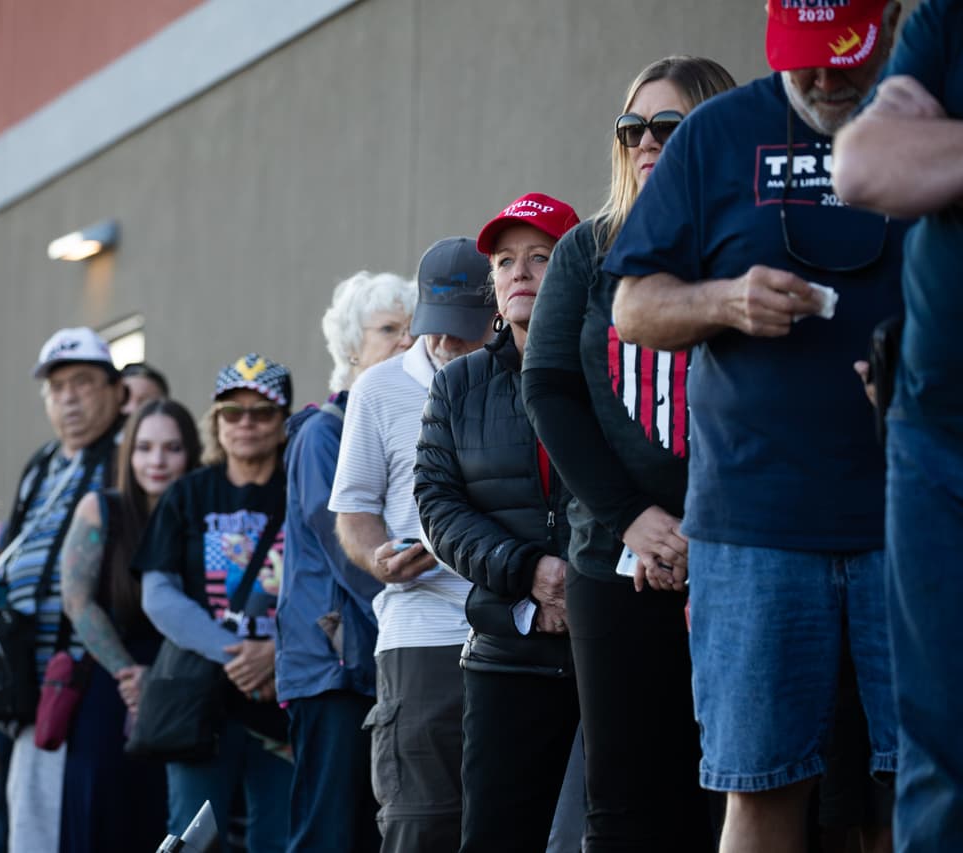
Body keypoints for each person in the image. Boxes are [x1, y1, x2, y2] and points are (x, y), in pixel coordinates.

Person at [603, 2, 908, 849]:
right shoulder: (716, 135)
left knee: (926, 781)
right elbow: (633, 306)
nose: (821, 77)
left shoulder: (937, 118)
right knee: (760, 783)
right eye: (802, 56)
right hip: (753, 523)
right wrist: (725, 300)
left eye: (843, 55)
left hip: (916, 513)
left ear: (889, 23)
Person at [522, 56, 735, 851]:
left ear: (713, 129)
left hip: (738, 550)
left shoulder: (748, 239)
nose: (645, 142)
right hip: (611, 560)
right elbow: (549, 391)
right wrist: (635, 520)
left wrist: (699, 531)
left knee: (738, 783)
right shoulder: (587, 250)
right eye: (631, 128)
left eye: (667, 126)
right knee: (624, 802)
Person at [832, 2, 963, 849]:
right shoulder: (956, 16)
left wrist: (943, 159)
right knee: (947, 773)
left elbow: (903, 166)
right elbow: (863, 165)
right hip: (937, 444)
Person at [413, 193, 582, 853]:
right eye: (506, 261)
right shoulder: (459, 385)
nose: (520, 272)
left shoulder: (612, 368)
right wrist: (529, 571)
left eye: (540, 257)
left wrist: (579, 582)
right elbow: (437, 504)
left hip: (610, 645)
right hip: (507, 653)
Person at [328, 236, 493, 853]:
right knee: (419, 823)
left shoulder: (522, 375)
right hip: (419, 632)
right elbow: (354, 512)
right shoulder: (378, 388)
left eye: (464, 328)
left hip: (514, 622)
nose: (446, 341)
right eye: (435, 324)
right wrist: (379, 558)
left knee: (507, 819)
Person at [276, 270, 416, 853]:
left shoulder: (395, 424)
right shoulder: (323, 434)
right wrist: (414, 622)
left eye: (413, 329)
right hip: (333, 666)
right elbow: (347, 550)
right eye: (388, 329)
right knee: (329, 832)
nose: (406, 340)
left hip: (372, 658)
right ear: (351, 347)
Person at [135, 354, 295, 851]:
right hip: (201, 705)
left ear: (283, 422)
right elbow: (158, 595)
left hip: (283, 704)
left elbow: (332, 589)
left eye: (261, 412)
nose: (245, 423)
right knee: (191, 840)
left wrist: (277, 654)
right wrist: (239, 654)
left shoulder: (304, 489)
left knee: (281, 840)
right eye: (232, 411)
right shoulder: (186, 494)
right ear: (216, 421)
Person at [0, 327, 126, 853]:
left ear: (116, 390)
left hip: (98, 678)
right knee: (32, 828)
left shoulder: (128, 455)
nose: (68, 397)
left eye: (83, 382)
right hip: (35, 683)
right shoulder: (40, 465)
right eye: (57, 387)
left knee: (90, 825)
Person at [58, 398, 202, 852]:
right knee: (105, 819)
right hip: (113, 686)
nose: (157, 461)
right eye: (144, 448)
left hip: (184, 687)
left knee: (168, 822)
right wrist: (131, 678)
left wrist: (156, 682)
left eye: (172, 448)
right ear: (128, 454)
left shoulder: (203, 516)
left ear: (191, 453)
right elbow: (77, 601)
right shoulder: (101, 509)